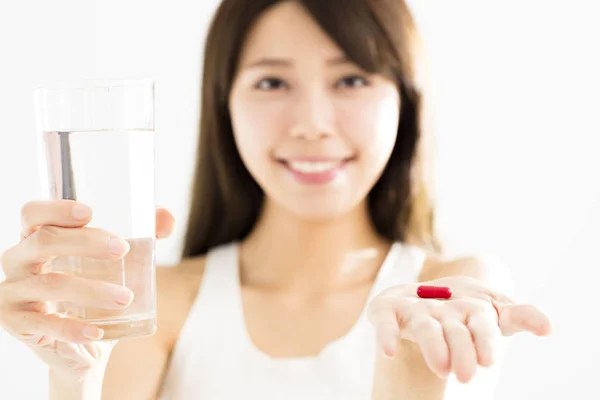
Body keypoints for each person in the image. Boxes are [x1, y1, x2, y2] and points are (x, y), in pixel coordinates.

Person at [0, 0, 552, 399]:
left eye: (353, 80)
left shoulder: (452, 294)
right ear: (224, 105)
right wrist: (73, 378)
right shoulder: (150, 305)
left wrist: (410, 364)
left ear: (405, 102)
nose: (312, 124)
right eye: (272, 83)